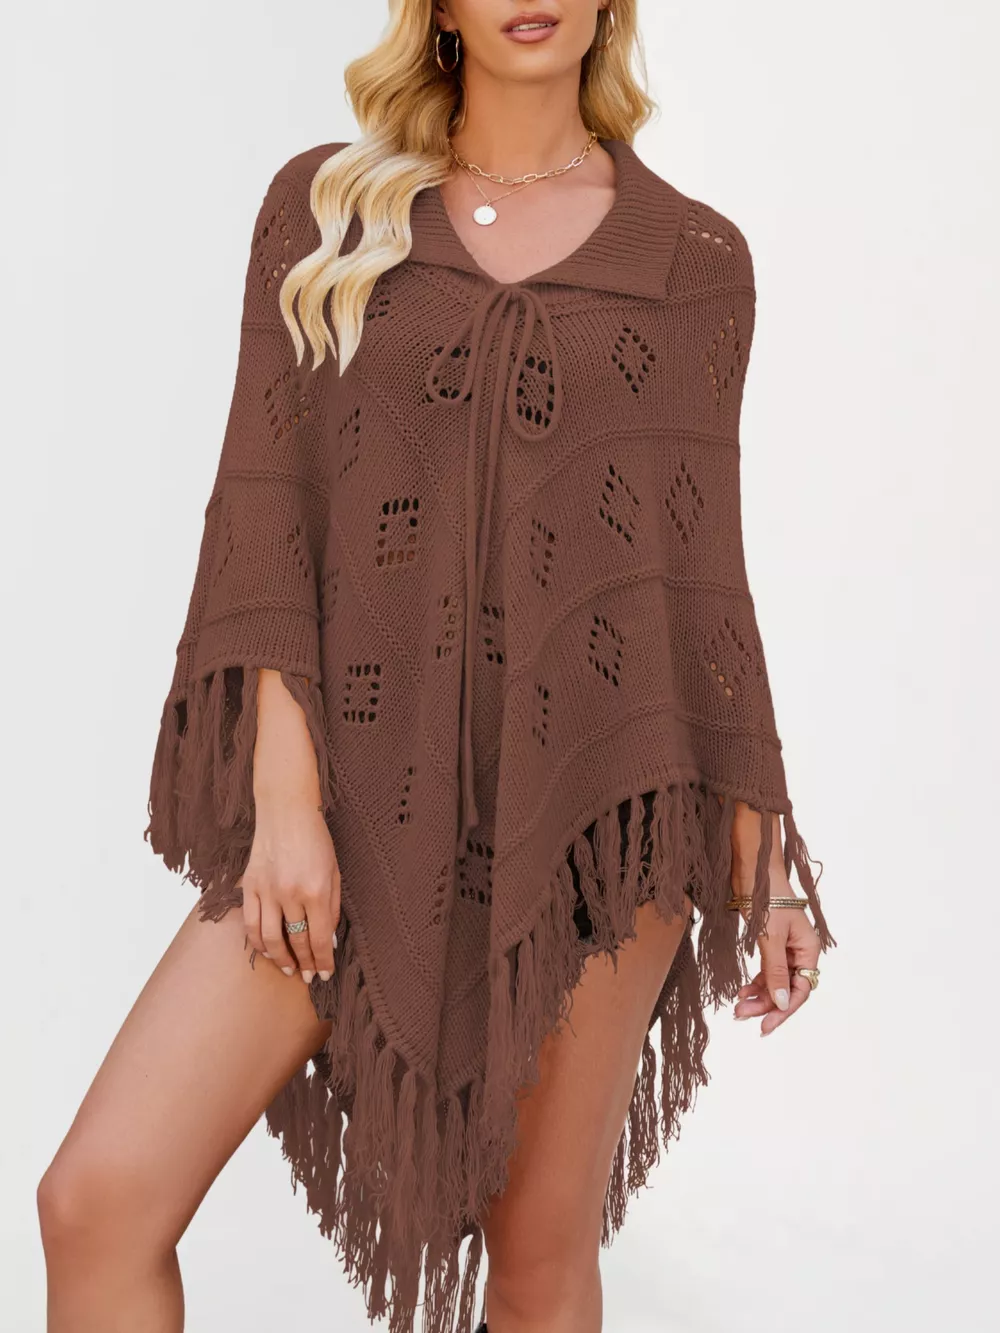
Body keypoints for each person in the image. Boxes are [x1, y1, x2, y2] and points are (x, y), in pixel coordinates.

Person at [37, 4, 835, 1332]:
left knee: (535, 1261)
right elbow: (267, 524)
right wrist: (285, 804)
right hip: (347, 796)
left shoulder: (695, 262)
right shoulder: (324, 215)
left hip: (594, 820)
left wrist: (768, 859)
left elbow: (698, 588)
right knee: (97, 1202)